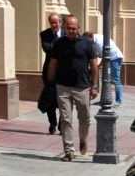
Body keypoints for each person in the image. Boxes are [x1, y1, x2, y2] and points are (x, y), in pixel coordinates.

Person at [45, 14, 100, 161]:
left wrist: (94, 87)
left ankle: (83, 139)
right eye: (69, 28)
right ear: (65, 27)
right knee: (66, 119)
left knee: (85, 119)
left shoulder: (87, 43)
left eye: (74, 28)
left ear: (79, 28)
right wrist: (50, 84)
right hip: (62, 87)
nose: (71, 31)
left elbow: (94, 66)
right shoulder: (59, 43)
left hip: (82, 87)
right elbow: (53, 64)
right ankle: (68, 151)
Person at [40, 12, 61, 134]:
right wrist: (62, 49)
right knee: (50, 100)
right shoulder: (45, 34)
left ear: (60, 22)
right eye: (52, 22)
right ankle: (52, 123)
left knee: (64, 101)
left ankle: (62, 126)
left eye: (56, 22)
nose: (54, 24)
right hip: (49, 72)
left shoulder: (66, 33)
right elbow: (47, 49)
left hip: (64, 73)